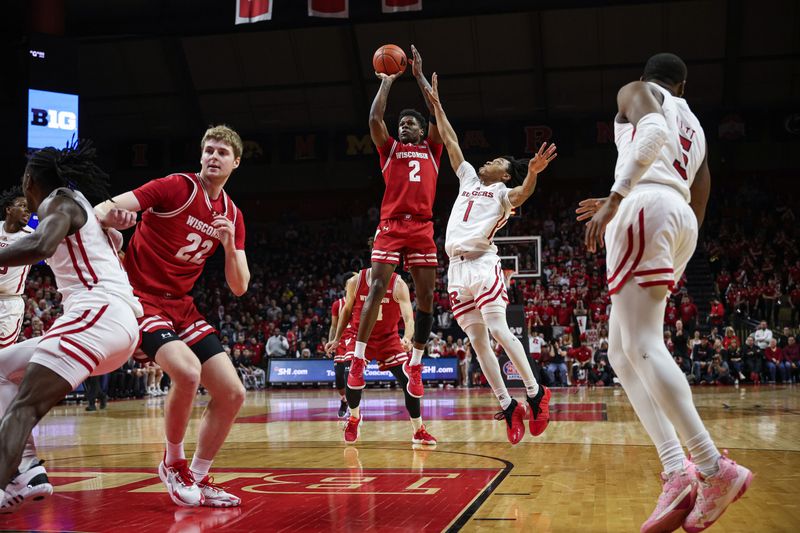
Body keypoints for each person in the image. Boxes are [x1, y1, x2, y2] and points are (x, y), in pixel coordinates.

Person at [577, 53, 751, 532]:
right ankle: (677, 470)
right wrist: (660, 213)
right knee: (620, 350)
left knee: (641, 346)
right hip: (678, 218)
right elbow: (700, 187)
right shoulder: (694, 123)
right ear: (684, 83)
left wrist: (620, 199)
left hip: (645, 208)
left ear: (648, 76)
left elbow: (650, 134)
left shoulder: (636, 91)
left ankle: (714, 469)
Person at [94, 125, 249, 508]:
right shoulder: (176, 187)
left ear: (236, 162)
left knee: (232, 393)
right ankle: (172, 462)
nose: (214, 157)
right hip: (140, 297)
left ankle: (197, 476)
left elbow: (240, 286)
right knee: (187, 372)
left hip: (181, 304)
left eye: (222, 153)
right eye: (209, 150)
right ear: (200, 156)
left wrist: (229, 247)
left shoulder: (232, 214)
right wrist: (114, 218)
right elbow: (102, 209)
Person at [0, 141, 142, 512]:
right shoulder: (80, 207)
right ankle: (27, 469)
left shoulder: (58, 202)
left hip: (99, 313)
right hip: (109, 323)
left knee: (24, 408)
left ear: (30, 180)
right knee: (3, 370)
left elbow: (42, 245)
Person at [425, 72, 555, 445]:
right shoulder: (467, 179)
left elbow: (523, 194)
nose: (489, 161)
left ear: (506, 173)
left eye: (498, 160)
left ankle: (535, 392)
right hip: (456, 269)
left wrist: (530, 174)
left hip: (483, 265)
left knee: (498, 331)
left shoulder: (502, 193)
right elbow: (449, 140)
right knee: (478, 344)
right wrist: (436, 104)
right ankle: (509, 406)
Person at [349, 45, 444, 400]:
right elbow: (375, 120)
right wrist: (387, 81)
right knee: (376, 288)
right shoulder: (389, 150)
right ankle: (358, 360)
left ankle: (415, 363)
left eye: (410, 124)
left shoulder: (433, 151)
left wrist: (419, 77)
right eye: (401, 124)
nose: (404, 127)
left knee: (427, 299)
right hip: (391, 225)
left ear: (421, 132)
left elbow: (437, 112)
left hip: (422, 228)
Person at [326, 268, 436, 446]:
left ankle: (418, 430)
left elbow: (409, 318)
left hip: (388, 339)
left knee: (408, 380)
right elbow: (346, 311)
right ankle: (354, 418)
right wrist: (337, 339)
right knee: (350, 375)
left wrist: (407, 337)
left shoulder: (398, 284)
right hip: (360, 337)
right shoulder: (356, 281)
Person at [0, 187, 32, 350]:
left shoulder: (33, 237)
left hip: (9, 303)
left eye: (29, 207)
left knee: (2, 355)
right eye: (22, 206)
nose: (27, 210)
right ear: (9, 210)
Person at [328, 288, 351, 418]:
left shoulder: (361, 302)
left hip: (353, 342)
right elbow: (333, 325)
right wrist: (331, 341)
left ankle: (355, 408)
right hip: (340, 342)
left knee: (351, 377)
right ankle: (344, 400)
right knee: (339, 376)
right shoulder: (338, 304)